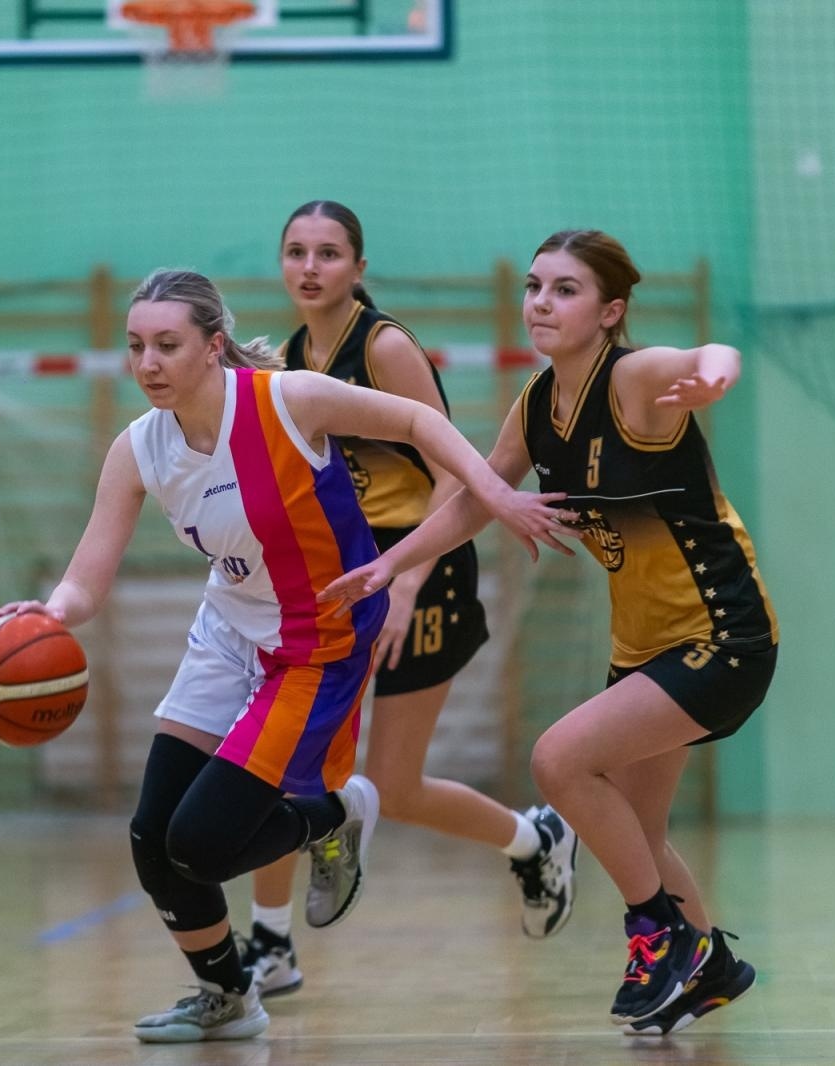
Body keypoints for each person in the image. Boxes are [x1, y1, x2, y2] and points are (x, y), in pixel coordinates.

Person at [0, 269, 567, 1044]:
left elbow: (422, 425)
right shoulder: (141, 448)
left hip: (319, 643)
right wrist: (48, 613)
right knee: (151, 837)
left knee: (200, 844)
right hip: (226, 634)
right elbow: (88, 578)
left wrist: (495, 499)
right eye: (135, 347)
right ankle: (230, 996)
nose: (148, 362)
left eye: (167, 344)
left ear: (213, 345)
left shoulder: (287, 400)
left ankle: (336, 812)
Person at [321, 229, 775, 1035]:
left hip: (722, 632)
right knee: (638, 832)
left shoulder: (633, 379)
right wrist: (398, 566)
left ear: (611, 312)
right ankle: (708, 963)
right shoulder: (538, 402)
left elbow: (712, 350)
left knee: (557, 760)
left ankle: (659, 935)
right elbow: (473, 497)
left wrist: (716, 371)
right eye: (535, 287)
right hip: (644, 645)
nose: (541, 302)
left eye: (565, 290)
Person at [239, 201, 578, 998]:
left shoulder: (384, 346)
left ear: (358, 268)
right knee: (281, 760)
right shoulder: (289, 356)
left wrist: (410, 578)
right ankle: (273, 942)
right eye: (296, 252)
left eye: (328, 253)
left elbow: (456, 465)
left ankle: (533, 839)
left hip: (418, 566)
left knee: (394, 784)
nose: (311, 267)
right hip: (348, 575)